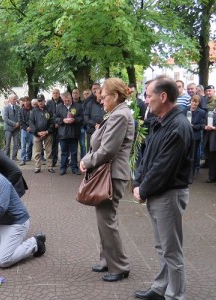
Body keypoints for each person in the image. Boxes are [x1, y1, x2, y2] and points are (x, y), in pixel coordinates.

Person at [133, 75, 194, 300]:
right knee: (162, 247)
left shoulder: (177, 126)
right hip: (158, 193)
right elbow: (147, 157)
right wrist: (139, 182)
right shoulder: (161, 122)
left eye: (149, 96)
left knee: (171, 250)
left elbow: (163, 168)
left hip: (168, 195)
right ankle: (161, 287)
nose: (146, 100)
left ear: (163, 96)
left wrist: (143, 189)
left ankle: (175, 295)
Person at [80, 78, 134, 282]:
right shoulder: (116, 113)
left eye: (103, 97)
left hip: (112, 174)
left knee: (107, 221)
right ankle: (107, 260)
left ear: (115, 96)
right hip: (108, 174)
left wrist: (86, 160)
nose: (100, 100)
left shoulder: (120, 115)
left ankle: (120, 266)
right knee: (105, 220)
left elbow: (108, 150)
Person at [54, 92, 83, 175]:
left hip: (74, 132)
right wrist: (62, 120)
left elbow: (82, 118)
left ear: (71, 98)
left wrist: (75, 120)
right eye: (65, 100)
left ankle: (74, 168)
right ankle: (63, 168)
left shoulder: (77, 106)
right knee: (64, 152)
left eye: (68, 100)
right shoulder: (59, 107)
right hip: (63, 133)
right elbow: (55, 118)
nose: (66, 102)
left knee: (74, 152)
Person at [29, 95, 54, 173]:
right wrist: (37, 132)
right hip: (37, 135)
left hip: (47, 134)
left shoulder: (49, 110)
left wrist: (47, 131)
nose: (40, 102)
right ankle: (37, 167)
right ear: (37, 102)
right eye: (39, 101)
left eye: (41, 101)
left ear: (44, 101)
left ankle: (50, 167)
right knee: (37, 152)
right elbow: (31, 123)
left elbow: (52, 123)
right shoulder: (33, 111)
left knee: (49, 151)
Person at [189, 95, 206, 176]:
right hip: (186, 136)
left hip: (195, 136)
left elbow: (202, 125)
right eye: (193, 101)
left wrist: (193, 126)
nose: (194, 103)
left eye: (196, 102)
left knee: (193, 154)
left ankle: (192, 172)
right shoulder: (185, 111)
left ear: (198, 103)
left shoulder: (201, 112)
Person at [46, 89, 63, 168]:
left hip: (61, 126)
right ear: (52, 94)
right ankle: (53, 160)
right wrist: (54, 123)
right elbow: (48, 115)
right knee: (53, 145)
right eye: (54, 93)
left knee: (63, 144)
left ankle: (64, 161)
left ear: (59, 94)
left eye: (57, 93)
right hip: (53, 127)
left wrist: (59, 123)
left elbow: (64, 113)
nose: (55, 94)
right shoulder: (49, 103)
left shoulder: (62, 102)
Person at [3, 94, 21, 160]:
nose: (14, 100)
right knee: (7, 144)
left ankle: (14, 157)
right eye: (13, 99)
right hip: (8, 128)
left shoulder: (18, 107)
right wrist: (14, 124)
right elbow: (5, 118)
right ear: (9, 99)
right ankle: (7, 158)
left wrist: (18, 123)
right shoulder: (6, 108)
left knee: (16, 144)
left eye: (15, 99)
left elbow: (20, 117)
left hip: (17, 128)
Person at [18, 97, 33, 165]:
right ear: (23, 102)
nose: (26, 102)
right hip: (24, 130)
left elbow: (34, 119)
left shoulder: (33, 109)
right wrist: (26, 127)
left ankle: (28, 157)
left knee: (30, 144)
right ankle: (22, 159)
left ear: (30, 101)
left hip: (32, 129)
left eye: (27, 101)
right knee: (23, 145)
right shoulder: (20, 110)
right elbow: (20, 121)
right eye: (24, 101)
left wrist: (31, 127)